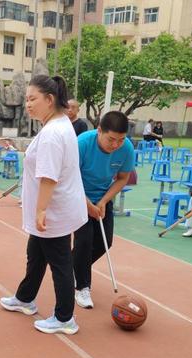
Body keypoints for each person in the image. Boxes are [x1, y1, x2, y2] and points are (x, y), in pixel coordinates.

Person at [0, 75, 86, 335]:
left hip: (54, 211)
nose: (27, 104)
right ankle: (25, 298)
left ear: (49, 100)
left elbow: (49, 177)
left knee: (59, 262)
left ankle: (65, 318)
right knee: (35, 255)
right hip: (55, 207)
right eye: (26, 99)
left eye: (32, 99)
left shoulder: (52, 133)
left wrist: (41, 210)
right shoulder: (58, 125)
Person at [72, 111, 133, 309]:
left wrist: (104, 201)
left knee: (104, 243)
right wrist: (86, 203)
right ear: (99, 130)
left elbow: (123, 178)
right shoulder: (82, 143)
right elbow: (68, 177)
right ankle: (82, 286)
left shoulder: (126, 149)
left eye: (121, 140)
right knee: (84, 241)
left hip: (103, 198)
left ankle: (71, 267)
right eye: (111, 139)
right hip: (77, 195)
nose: (115, 145)